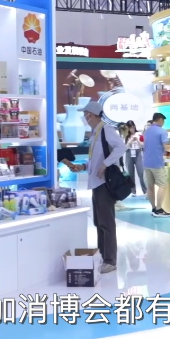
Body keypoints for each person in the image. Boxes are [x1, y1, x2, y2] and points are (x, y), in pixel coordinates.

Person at [66, 101, 124, 274]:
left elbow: (121, 147)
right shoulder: (96, 132)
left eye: (86, 115)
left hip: (104, 183)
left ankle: (110, 261)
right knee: (99, 222)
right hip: (96, 183)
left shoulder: (106, 129)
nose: (85, 118)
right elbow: (95, 158)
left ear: (90, 115)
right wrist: (83, 166)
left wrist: (105, 165)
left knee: (106, 223)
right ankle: (102, 256)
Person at [141, 112, 170, 217]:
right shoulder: (162, 131)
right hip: (157, 162)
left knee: (150, 186)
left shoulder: (147, 131)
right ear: (160, 120)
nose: (163, 123)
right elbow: (167, 147)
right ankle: (159, 209)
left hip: (146, 162)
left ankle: (154, 208)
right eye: (163, 121)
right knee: (162, 185)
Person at [122, 121, 146, 196]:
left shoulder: (139, 134)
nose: (132, 129)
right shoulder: (126, 136)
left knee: (141, 173)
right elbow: (124, 148)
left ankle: (145, 191)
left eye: (133, 127)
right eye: (130, 127)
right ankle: (133, 191)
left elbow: (143, 145)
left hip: (138, 153)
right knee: (130, 173)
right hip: (129, 153)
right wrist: (130, 141)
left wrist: (137, 140)